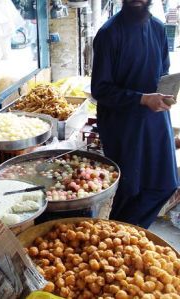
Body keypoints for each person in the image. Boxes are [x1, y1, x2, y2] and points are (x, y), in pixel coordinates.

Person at [91, 0, 179, 228]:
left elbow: (164, 71)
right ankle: (120, 238)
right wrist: (142, 98)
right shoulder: (109, 33)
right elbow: (100, 89)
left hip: (155, 118)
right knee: (129, 189)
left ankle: (130, 231)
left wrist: (167, 92)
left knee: (165, 184)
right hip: (122, 124)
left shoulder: (158, 29)